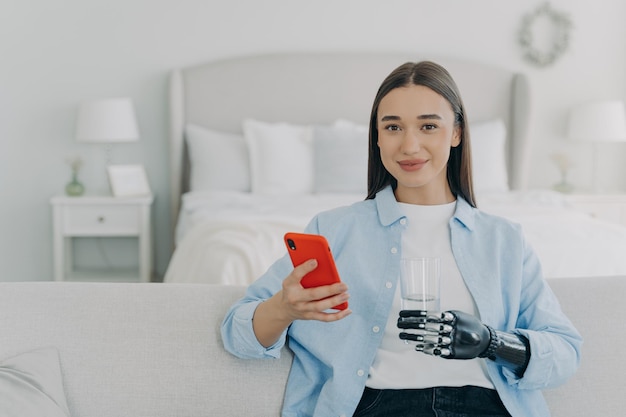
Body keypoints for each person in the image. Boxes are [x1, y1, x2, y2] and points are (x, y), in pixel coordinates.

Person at [221, 61, 582, 417]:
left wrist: (491, 342)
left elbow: (566, 353)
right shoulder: (333, 230)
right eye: (393, 127)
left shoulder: (504, 240)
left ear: (456, 133)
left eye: (428, 126)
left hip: (485, 405)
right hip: (378, 405)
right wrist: (284, 308)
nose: (410, 146)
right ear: (377, 136)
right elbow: (238, 334)